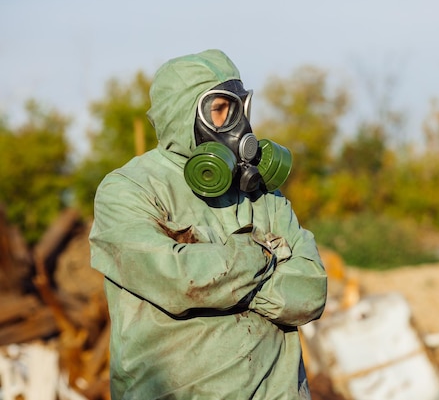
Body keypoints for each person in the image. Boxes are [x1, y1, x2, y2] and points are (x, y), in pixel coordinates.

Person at [89, 49, 328, 399]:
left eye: (241, 109)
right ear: (183, 115)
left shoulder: (262, 193)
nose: (239, 126)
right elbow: (178, 280)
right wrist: (265, 258)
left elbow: (310, 293)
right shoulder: (128, 189)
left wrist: (224, 277)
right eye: (220, 110)